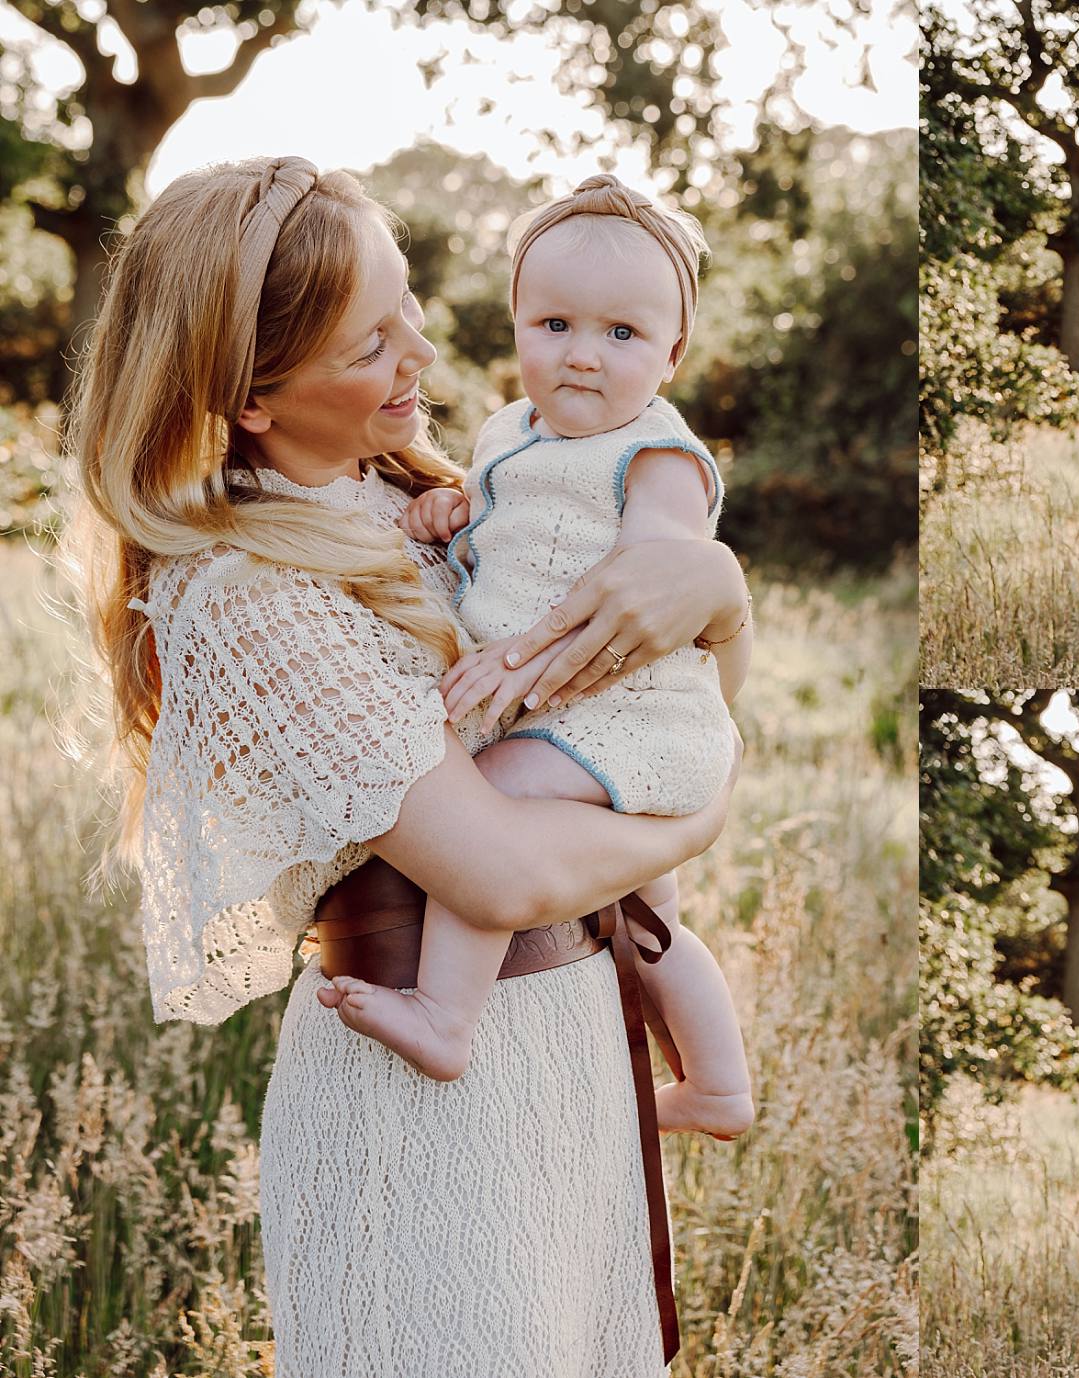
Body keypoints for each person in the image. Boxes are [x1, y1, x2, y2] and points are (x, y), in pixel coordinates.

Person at [68, 156, 751, 1375]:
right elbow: (493, 876)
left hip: (570, 1045)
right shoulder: (244, 591)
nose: (423, 359)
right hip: (423, 1105)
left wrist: (720, 598)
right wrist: (700, 819)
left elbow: (670, 715)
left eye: (412, 311)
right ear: (253, 401)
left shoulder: (424, 494)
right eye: (372, 343)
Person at [314, 175, 755, 1142]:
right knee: (649, 913)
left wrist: (521, 653)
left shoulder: (660, 459)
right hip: (566, 711)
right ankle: (718, 1086)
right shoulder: (509, 434)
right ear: (514, 322)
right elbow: (506, 526)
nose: (584, 357)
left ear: (673, 353)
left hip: (628, 710)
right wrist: (453, 513)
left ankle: (446, 1016)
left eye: (623, 335)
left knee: (494, 802)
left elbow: (654, 573)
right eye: (553, 323)